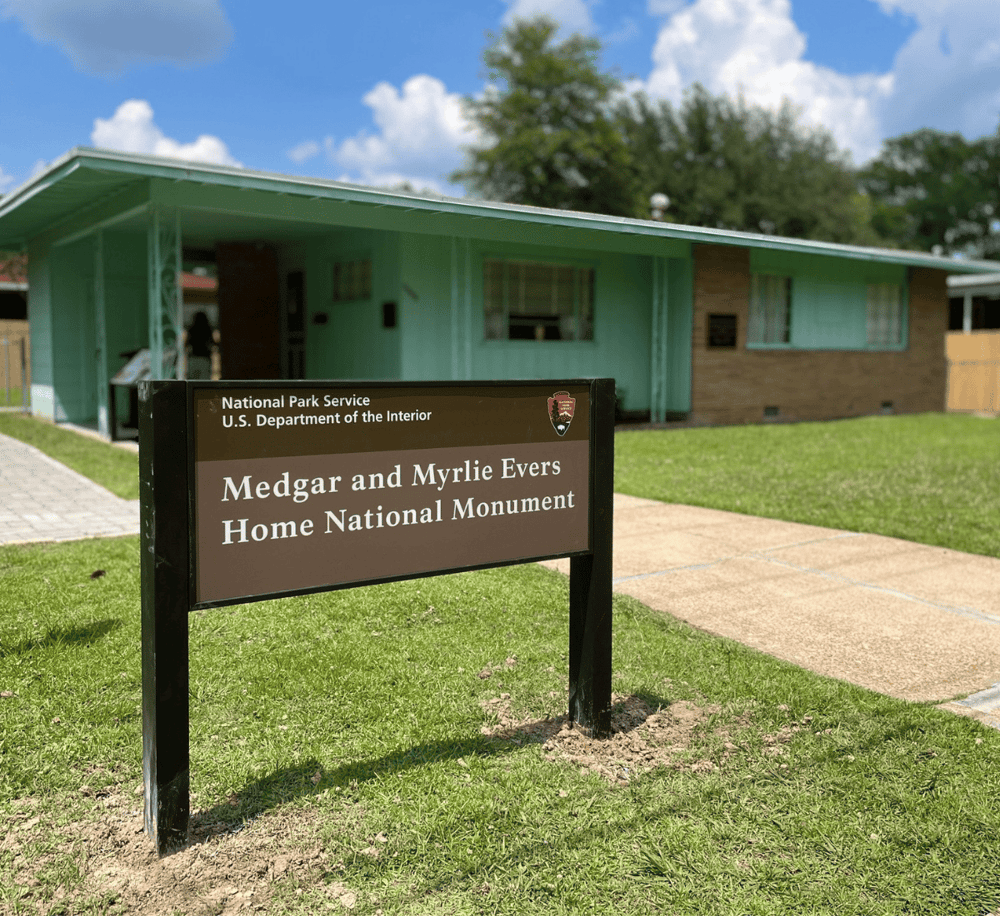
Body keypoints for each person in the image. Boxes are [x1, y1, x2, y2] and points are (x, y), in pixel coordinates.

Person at [185, 311, 214, 380]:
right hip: (205, 358)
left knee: (192, 381)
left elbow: (186, 344)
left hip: (193, 358)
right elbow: (212, 343)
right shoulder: (208, 329)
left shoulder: (191, 329)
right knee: (204, 382)